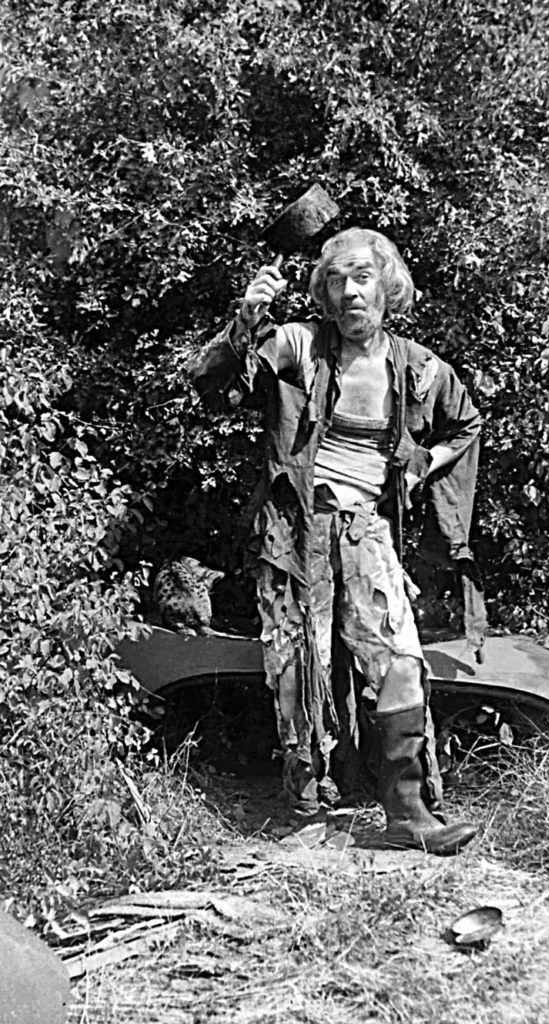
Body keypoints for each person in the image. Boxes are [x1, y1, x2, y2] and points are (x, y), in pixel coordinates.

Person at [188, 227, 486, 855]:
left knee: (400, 660)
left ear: (387, 287)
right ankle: (308, 815)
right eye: (336, 279)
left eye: (362, 277)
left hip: (367, 530)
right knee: (300, 672)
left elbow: (465, 424)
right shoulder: (299, 345)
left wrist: (419, 465)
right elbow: (213, 384)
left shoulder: (419, 368)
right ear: (323, 293)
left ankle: (408, 814)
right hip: (296, 535)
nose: (350, 291)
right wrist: (246, 317)